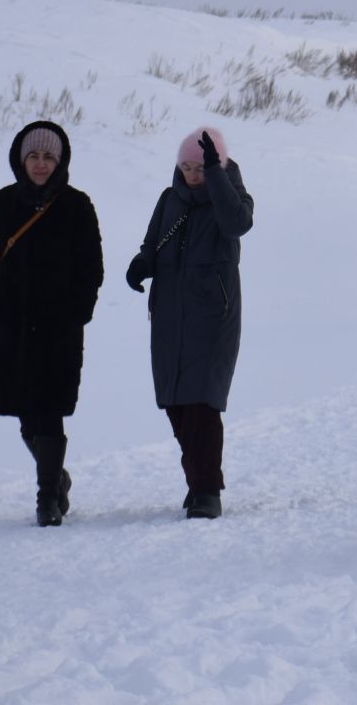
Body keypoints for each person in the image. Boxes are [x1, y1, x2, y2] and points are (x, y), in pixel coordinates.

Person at [0, 121, 104, 527]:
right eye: (34, 156)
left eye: (49, 157)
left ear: (60, 161)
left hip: (58, 327)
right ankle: (57, 475)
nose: (41, 164)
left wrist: (78, 310)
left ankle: (47, 498)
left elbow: (91, 268)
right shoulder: (0, 204)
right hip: (12, 324)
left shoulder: (77, 206)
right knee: (25, 413)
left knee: (48, 409)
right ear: (21, 160)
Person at [126, 126, 254, 520]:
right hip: (168, 313)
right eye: (186, 167)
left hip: (213, 313)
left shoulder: (231, 200)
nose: (192, 174)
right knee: (176, 402)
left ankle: (207, 491)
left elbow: (238, 224)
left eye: (200, 167)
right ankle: (198, 480)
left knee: (202, 402)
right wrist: (142, 264)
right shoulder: (170, 200)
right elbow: (152, 242)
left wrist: (218, 175)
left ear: (218, 164)